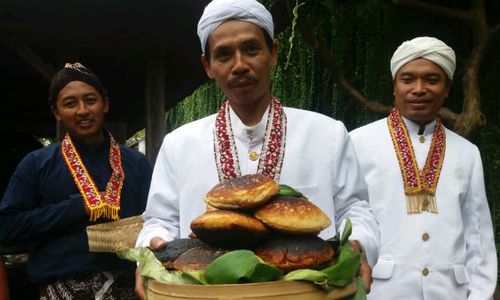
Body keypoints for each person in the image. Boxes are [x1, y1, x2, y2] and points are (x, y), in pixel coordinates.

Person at [135, 0, 379, 298]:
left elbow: (355, 210)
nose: (239, 65)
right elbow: (160, 220)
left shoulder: (327, 134)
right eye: (224, 54)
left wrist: (358, 247)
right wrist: (151, 249)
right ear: (208, 66)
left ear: (273, 53)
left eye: (251, 49)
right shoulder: (179, 143)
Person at [350, 37, 497, 299]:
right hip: (381, 292)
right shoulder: (358, 142)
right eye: (408, 79)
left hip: (451, 292)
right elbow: (349, 218)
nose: (419, 89)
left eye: (431, 80)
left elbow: (479, 238)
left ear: (447, 88)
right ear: (394, 85)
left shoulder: (467, 153)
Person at [0, 63, 153, 299]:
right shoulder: (37, 164)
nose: (82, 110)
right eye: (70, 104)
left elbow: (158, 220)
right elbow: (7, 227)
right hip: (62, 288)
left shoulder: (137, 163)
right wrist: (73, 208)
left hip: (128, 287)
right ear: (57, 112)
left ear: (105, 104)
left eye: (90, 100)